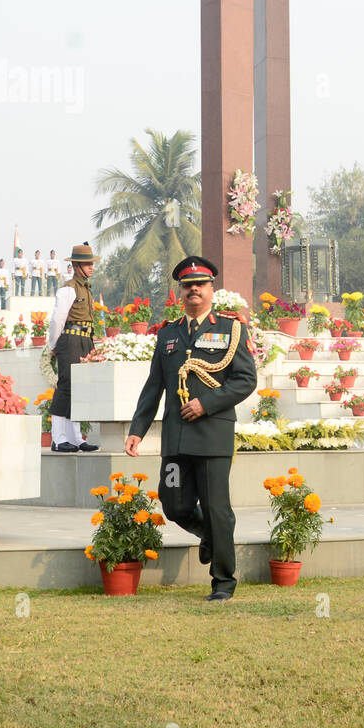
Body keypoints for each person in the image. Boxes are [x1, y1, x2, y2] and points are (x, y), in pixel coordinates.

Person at [125, 257, 257, 602]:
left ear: (212, 289)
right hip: (176, 440)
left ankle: (223, 582)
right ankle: (209, 537)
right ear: (179, 292)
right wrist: (137, 428)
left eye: (200, 284)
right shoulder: (168, 334)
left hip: (212, 436)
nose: (194, 289)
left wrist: (207, 403)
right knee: (174, 503)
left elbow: (246, 380)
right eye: (187, 285)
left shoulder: (230, 329)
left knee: (217, 508)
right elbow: (154, 385)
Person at [47, 243, 100, 453]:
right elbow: (57, 319)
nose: (91, 267)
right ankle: (58, 439)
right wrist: (54, 345)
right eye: (87, 264)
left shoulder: (86, 288)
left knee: (79, 390)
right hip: (70, 340)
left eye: (91, 263)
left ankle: (75, 438)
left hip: (85, 340)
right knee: (66, 386)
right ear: (76, 265)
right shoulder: (68, 288)